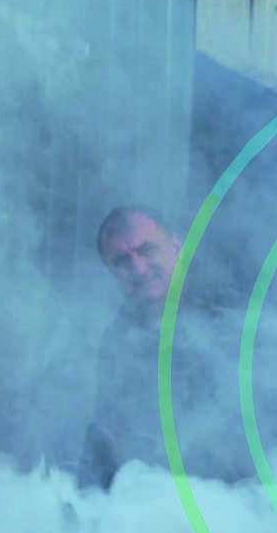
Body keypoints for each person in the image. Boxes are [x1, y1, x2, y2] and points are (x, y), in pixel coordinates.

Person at [79, 206, 245, 488]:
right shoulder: (118, 341)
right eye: (121, 261)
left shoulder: (234, 308)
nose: (138, 269)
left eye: (146, 250)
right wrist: (90, 500)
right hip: (165, 498)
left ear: (176, 247)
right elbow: (107, 434)